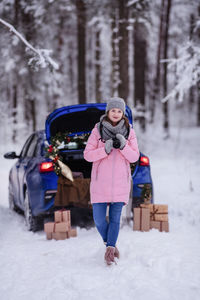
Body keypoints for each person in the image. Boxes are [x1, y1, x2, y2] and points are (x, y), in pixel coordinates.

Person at [83, 97, 139, 265]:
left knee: (115, 219)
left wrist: (123, 146)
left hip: (120, 183)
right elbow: (87, 155)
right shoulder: (97, 131)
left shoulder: (130, 132)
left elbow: (134, 156)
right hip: (100, 183)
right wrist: (104, 149)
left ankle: (110, 249)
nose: (116, 113)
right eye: (113, 110)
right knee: (99, 220)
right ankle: (110, 244)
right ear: (108, 112)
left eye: (119, 111)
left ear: (123, 114)